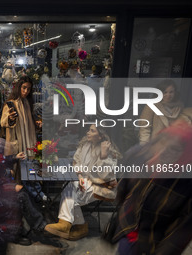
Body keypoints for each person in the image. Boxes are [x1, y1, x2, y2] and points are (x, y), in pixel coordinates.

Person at [113, 120, 192, 255]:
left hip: (154, 242)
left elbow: (181, 232)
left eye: (174, 148)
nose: (164, 150)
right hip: (128, 229)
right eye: (163, 141)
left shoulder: (186, 182)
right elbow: (123, 188)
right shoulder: (139, 155)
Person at [45, 125, 121, 240]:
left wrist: (103, 156)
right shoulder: (85, 145)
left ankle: (67, 224)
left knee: (71, 195)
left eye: (92, 131)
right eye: (88, 130)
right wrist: (80, 176)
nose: (87, 133)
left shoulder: (108, 151)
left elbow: (105, 177)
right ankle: (78, 227)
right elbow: (76, 162)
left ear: (100, 136)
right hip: (84, 180)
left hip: (101, 186)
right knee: (71, 187)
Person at [0, 76, 46, 202]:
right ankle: (21, 202)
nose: (25, 91)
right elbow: (3, 122)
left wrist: (37, 124)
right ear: (19, 87)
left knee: (30, 172)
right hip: (18, 143)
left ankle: (31, 200)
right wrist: (10, 118)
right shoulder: (11, 103)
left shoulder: (28, 103)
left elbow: (28, 124)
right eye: (24, 88)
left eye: (28, 89)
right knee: (18, 174)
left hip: (29, 143)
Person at [139, 79, 183, 145]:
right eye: (165, 92)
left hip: (172, 146)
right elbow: (145, 128)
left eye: (171, 92)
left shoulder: (179, 107)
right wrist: (145, 146)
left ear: (175, 92)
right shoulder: (152, 105)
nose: (168, 95)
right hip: (155, 146)